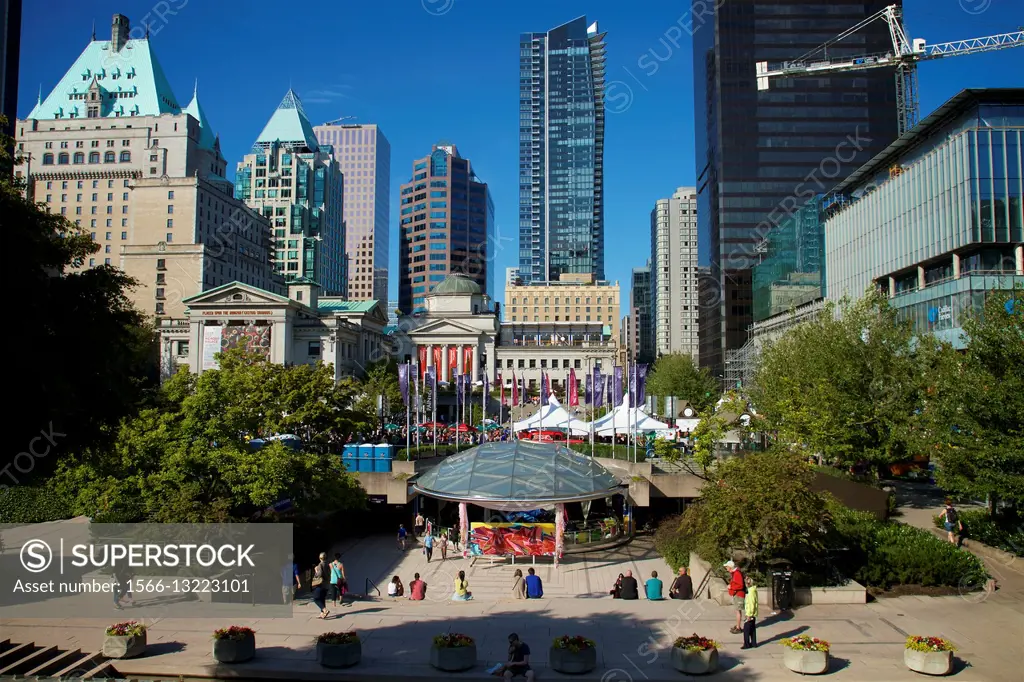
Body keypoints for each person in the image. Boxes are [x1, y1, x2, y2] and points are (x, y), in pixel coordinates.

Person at [725, 560, 746, 634]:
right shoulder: (735, 573)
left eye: (727, 567)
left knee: (738, 611)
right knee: (737, 611)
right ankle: (738, 625)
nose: (726, 568)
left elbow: (740, 585)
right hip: (737, 594)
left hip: (739, 594)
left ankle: (738, 627)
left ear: (730, 567)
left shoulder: (736, 573)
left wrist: (731, 587)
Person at [311, 552, 331, 619]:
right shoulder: (327, 565)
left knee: (316, 598)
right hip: (326, 585)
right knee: (322, 599)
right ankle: (322, 613)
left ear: (320, 558)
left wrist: (316, 571)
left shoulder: (320, 565)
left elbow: (319, 575)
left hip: (320, 585)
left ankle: (325, 610)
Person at [742, 576, 759, 649]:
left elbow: (751, 604)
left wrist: (749, 615)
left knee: (746, 630)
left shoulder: (751, 592)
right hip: (752, 614)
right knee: (752, 629)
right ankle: (753, 643)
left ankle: (747, 644)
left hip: (750, 614)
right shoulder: (752, 590)